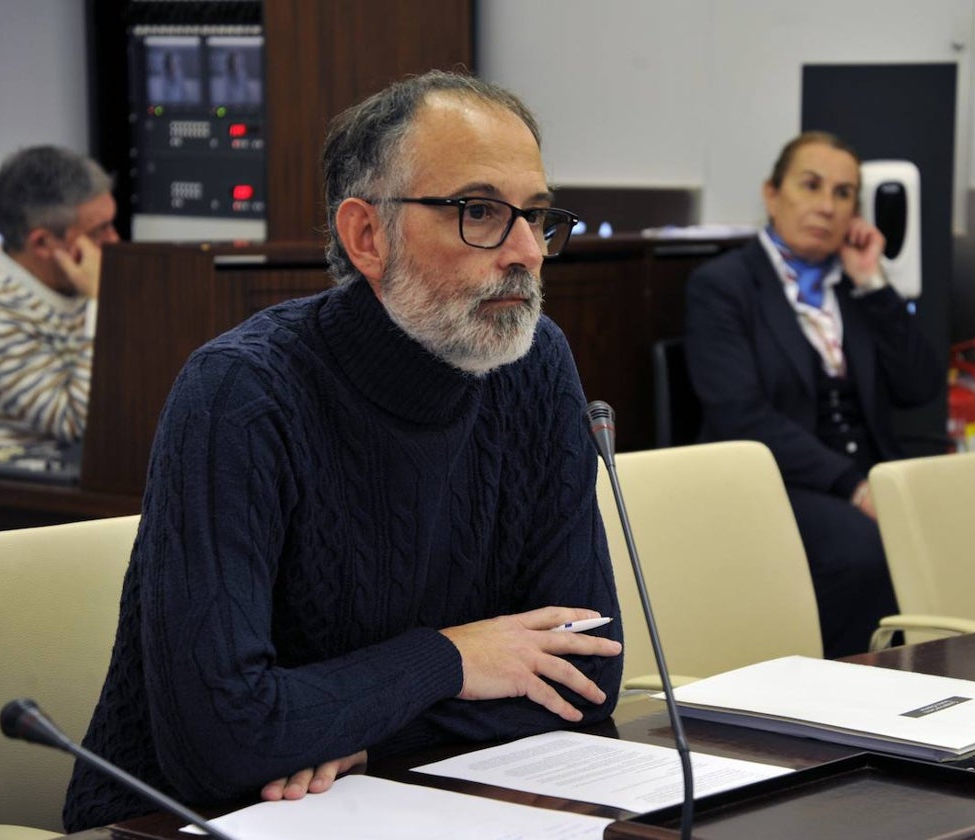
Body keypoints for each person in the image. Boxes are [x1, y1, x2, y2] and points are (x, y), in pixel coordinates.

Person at [63, 70, 623, 830]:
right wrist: (448, 661)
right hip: (179, 820)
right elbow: (219, 744)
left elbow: (588, 675)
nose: (527, 251)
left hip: (402, 799)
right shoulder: (242, 393)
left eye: (537, 215)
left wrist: (352, 726)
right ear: (367, 236)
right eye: (481, 212)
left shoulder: (536, 363)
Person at [684, 131, 943, 659]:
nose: (828, 205)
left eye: (845, 193)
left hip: (870, 476)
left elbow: (920, 387)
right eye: (811, 185)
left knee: (970, 528)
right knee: (863, 550)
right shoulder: (723, 285)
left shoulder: (854, 286)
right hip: (774, 481)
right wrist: (855, 487)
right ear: (772, 193)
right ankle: (858, 697)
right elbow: (740, 415)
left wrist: (874, 284)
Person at [0, 145, 118, 451]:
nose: (114, 240)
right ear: (43, 242)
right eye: (100, 230)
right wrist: (99, 300)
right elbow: (78, 423)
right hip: (30, 493)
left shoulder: (78, 280)